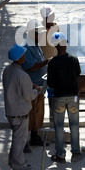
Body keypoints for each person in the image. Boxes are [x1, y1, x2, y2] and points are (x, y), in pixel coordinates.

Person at [2, 44, 42, 170]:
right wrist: (37, 91)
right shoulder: (22, 75)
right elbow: (28, 96)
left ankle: (12, 161)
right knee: (20, 140)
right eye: (23, 55)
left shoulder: (7, 70)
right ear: (19, 58)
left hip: (11, 110)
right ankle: (19, 164)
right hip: (20, 112)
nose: (25, 57)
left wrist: (31, 85)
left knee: (16, 138)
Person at [47, 32, 83, 163]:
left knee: (59, 127)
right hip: (73, 97)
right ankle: (76, 153)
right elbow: (78, 74)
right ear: (65, 43)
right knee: (74, 125)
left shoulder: (52, 63)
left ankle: (60, 155)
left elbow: (50, 84)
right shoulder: (73, 59)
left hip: (58, 98)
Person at [22, 19, 49, 150]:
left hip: (39, 86)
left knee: (38, 113)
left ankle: (35, 136)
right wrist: (47, 62)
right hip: (31, 86)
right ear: (32, 33)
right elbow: (31, 66)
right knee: (29, 114)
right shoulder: (26, 47)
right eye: (39, 33)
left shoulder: (36, 45)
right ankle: (24, 142)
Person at [39, 4, 60, 126]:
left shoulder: (54, 28)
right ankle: (50, 118)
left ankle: (52, 117)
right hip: (44, 65)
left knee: (51, 92)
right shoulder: (44, 30)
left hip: (51, 64)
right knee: (46, 91)